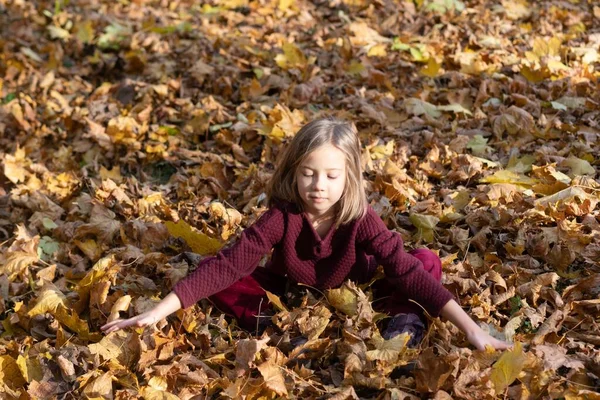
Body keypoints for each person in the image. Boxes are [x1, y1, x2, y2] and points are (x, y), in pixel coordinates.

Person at [101, 118, 510, 351]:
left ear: (348, 178)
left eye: (331, 176)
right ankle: (276, 327)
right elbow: (231, 261)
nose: (319, 186)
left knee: (424, 261)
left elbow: (401, 267)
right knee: (217, 273)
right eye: (309, 174)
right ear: (293, 173)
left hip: (362, 292)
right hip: (291, 297)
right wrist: (158, 311)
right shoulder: (282, 217)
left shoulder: (359, 217)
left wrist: (472, 329)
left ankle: (401, 326)